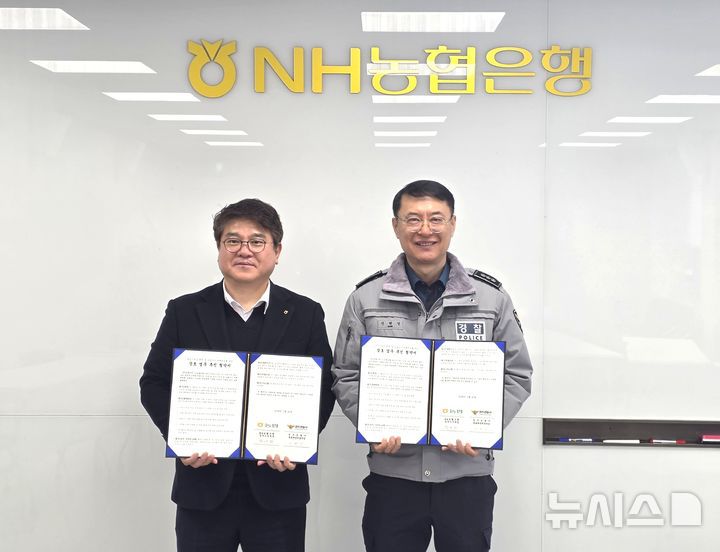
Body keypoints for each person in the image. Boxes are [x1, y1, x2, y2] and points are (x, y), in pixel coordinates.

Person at [332, 180, 533, 552]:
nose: (425, 230)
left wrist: (483, 428)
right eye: (413, 219)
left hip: (465, 477)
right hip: (394, 477)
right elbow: (346, 374)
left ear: (452, 224)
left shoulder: (491, 298)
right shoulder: (365, 298)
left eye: (436, 219)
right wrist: (372, 424)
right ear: (396, 226)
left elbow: (517, 374)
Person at [140, 198, 335, 552]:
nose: (244, 250)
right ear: (219, 248)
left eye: (257, 241)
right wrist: (180, 438)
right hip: (203, 488)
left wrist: (297, 443)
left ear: (277, 251)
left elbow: (324, 388)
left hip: (279, 489)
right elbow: (153, 382)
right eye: (233, 240)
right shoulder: (185, 311)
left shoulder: (305, 313)